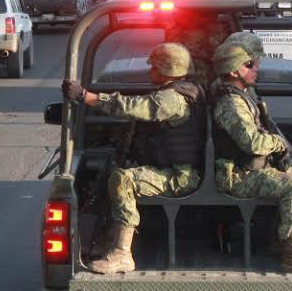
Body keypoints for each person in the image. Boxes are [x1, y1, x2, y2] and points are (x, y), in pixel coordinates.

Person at [62, 43, 205, 274]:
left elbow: (136, 107)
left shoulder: (172, 98)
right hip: (180, 170)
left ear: (166, 70)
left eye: (154, 67)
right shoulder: (186, 90)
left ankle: (122, 254)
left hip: (183, 177)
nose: (150, 71)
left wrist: (87, 97)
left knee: (123, 180)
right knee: (117, 169)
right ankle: (108, 240)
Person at [210, 38, 292, 275]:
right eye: (250, 64)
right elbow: (252, 143)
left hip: (252, 168)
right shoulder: (231, 103)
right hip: (237, 175)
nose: (257, 67)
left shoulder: (242, 93)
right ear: (234, 71)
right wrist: (277, 143)